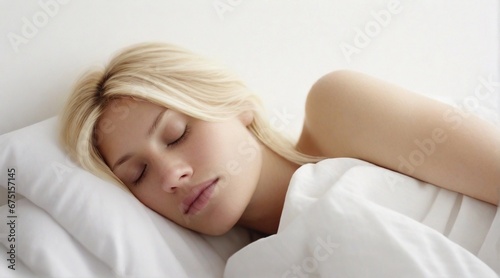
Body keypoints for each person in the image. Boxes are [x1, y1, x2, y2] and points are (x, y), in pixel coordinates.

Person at [60, 42, 500, 236]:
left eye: (176, 135)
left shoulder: (338, 109)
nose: (173, 176)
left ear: (235, 104)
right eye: (138, 175)